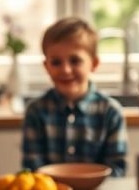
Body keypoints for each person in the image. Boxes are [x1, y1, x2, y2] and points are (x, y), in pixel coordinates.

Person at [22, 16, 128, 176]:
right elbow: (32, 171)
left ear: (94, 63)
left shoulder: (111, 112)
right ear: (46, 66)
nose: (65, 70)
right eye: (56, 62)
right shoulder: (35, 111)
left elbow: (117, 170)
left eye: (75, 61)